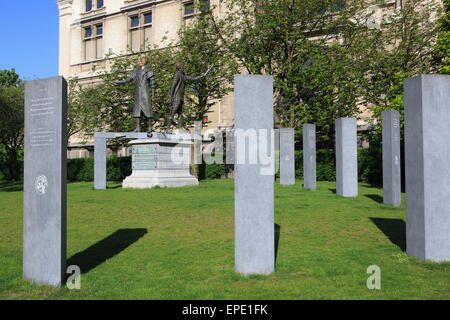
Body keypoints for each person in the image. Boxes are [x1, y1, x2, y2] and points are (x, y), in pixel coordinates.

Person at [112, 57, 156, 137]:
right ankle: (137, 128)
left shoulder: (149, 71)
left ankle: (150, 127)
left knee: (148, 110)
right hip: (138, 93)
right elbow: (128, 80)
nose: (140, 61)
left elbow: (153, 82)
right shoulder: (136, 71)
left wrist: (153, 93)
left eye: (142, 60)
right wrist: (118, 82)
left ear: (145, 62)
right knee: (137, 110)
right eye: (140, 60)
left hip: (145, 92)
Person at [167, 62, 213, 131]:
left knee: (180, 114)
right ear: (179, 67)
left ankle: (180, 128)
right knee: (172, 113)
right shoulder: (177, 75)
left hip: (181, 97)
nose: (183, 67)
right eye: (182, 66)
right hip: (177, 97)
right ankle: (168, 129)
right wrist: (170, 97)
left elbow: (193, 78)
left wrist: (201, 76)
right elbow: (173, 86)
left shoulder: (183, 76)